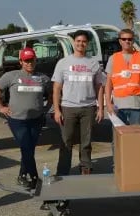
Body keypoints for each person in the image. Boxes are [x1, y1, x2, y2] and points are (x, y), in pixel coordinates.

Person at [0, 47, 52, 190]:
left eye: (32, 60)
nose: (29, 63)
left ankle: (22, 176)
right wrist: (1, 107)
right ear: (21, 62)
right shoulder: (12, 76)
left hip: (36, 119)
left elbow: (53, 93)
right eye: (26, 61)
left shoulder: (43, 78)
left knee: (29, 149)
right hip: (17, 120)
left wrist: (46, 108)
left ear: (36, 60)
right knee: (26, 148)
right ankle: (35, 179)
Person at [51, 30, 105, 176]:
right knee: (66, 142)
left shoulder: (93, 63)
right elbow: (56, 88)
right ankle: (63, 171)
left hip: (88, 108)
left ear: (87, 44)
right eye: (78, 41)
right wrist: (57, 110)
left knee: (86, 142)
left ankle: (85, 168)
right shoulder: (63, 63)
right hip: (68, 108)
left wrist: (100, 108)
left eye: (84, 41)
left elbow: (99, 87)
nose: (81, 44)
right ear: (73, 42)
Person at [105, 29, 140, 125]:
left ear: (133, 40)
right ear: (120, 41)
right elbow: (108, 84)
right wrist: (108, 103)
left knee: (136, 137)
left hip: (137, 106)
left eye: (129, 39)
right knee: (119, 138)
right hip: (118, 107)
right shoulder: (113, 58)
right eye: (124, 39)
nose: (127, 41)